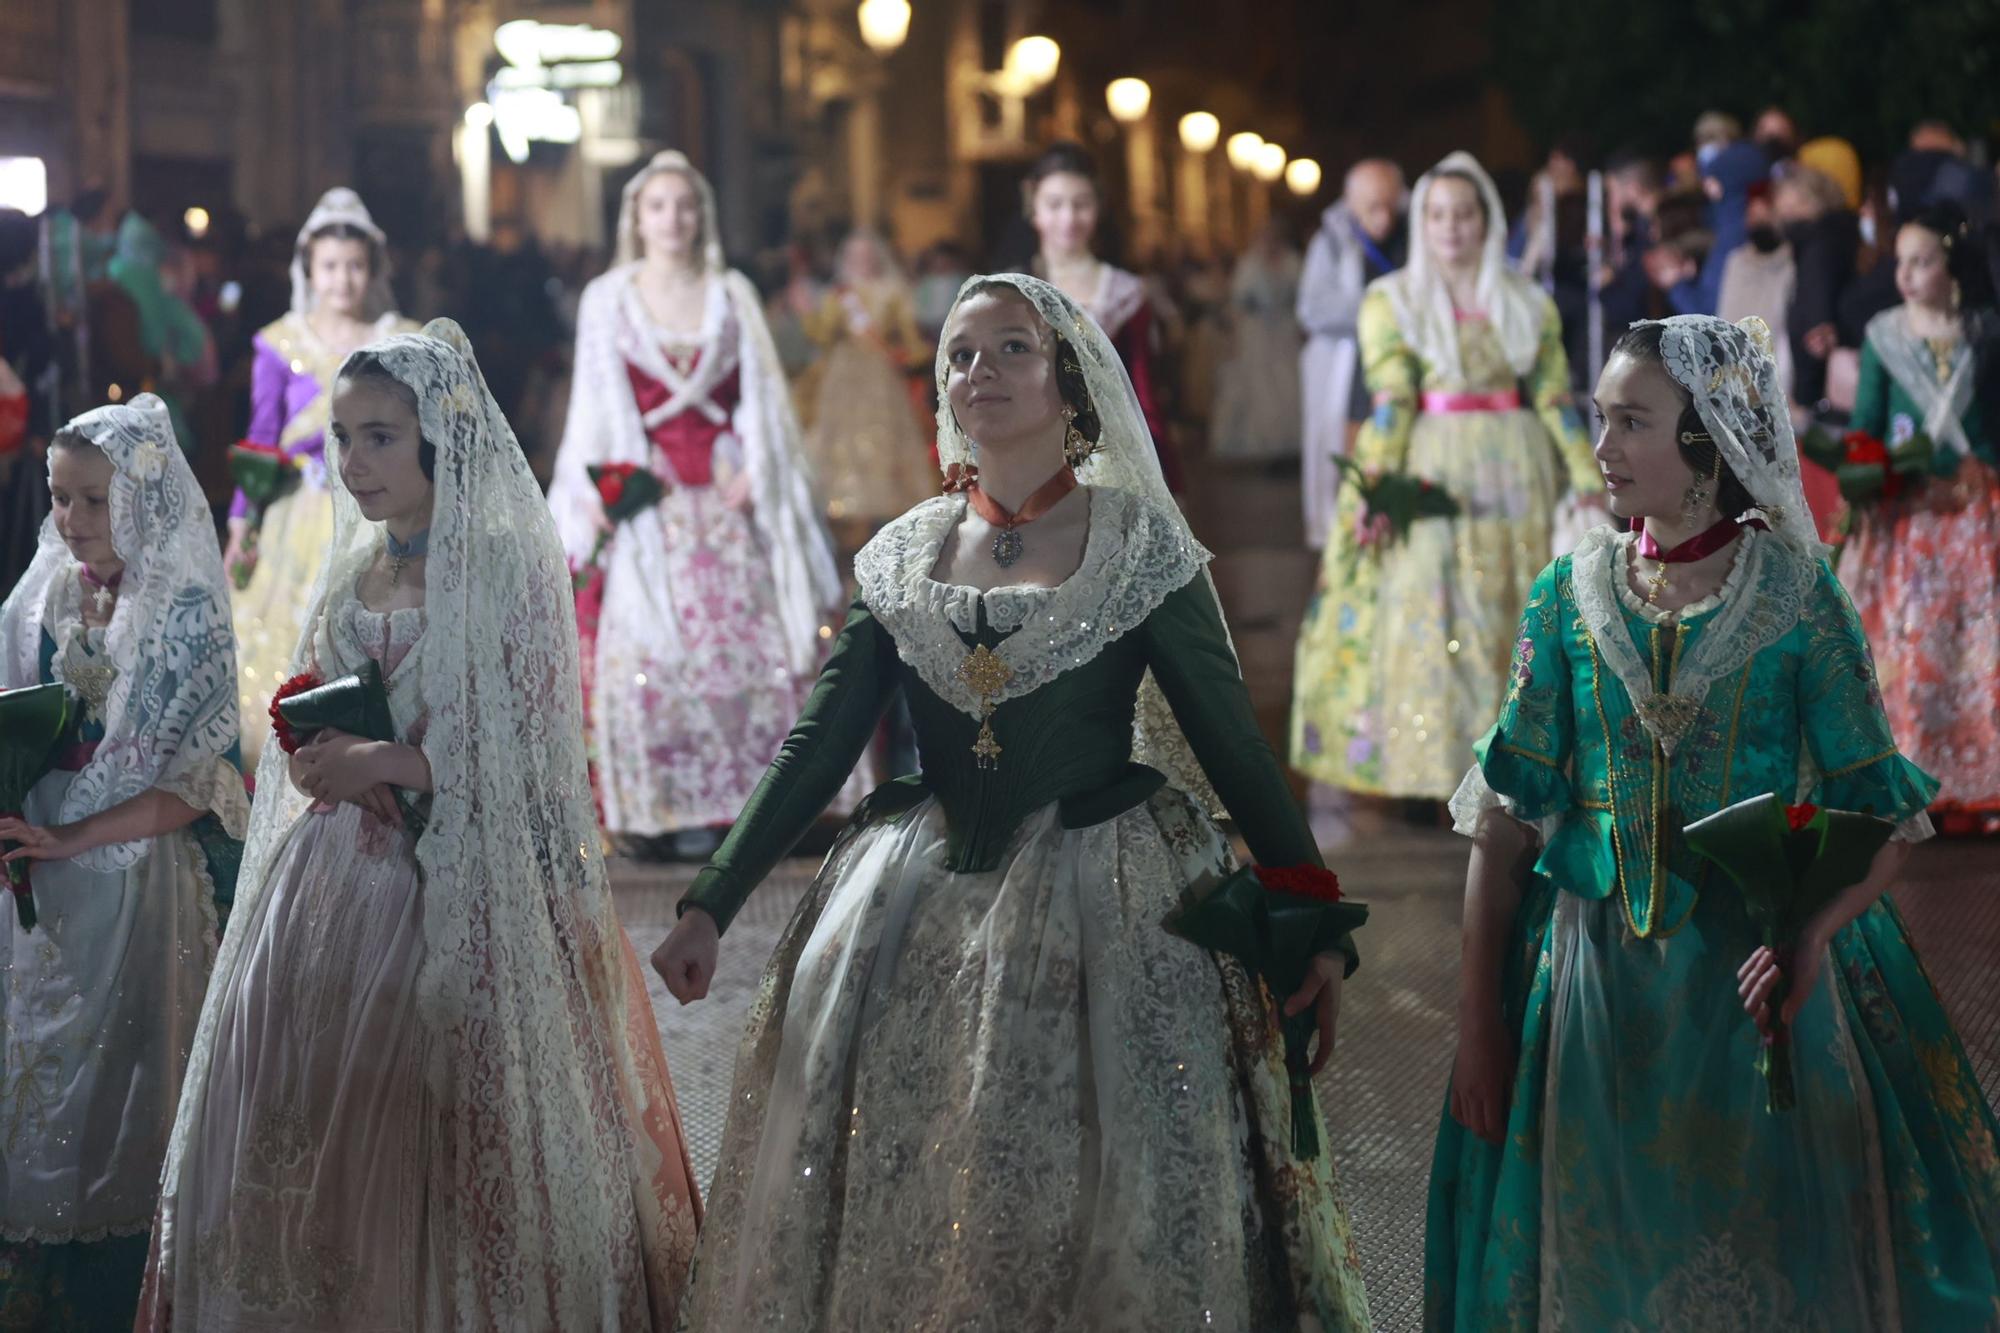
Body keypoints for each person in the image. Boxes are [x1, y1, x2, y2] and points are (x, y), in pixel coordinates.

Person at [651, 273, 1373, 1330]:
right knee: (913, 1158)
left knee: (1075, 1164)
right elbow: (821, 740)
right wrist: (711, 899)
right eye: (957, 354)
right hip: (914, 901)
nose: (976, 371)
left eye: (1009, 350)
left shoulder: (1136, 545)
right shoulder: (903, 553)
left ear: (1069, 386)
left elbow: (1230, 743)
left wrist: (1306, 906)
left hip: (1104, 898)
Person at [1427, 313, 2000, 1328]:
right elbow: (1506, 826)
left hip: (1761, 991)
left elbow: (1876, 816)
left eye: (1631, 422)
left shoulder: (1796, 597)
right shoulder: (1566, 597)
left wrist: (1812, 934)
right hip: (1594, 995)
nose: (1601, 448)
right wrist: (1477, 1024)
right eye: (1598, 420)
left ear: (1707, 441)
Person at [139, 319, 700, 1329]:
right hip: (331, 878)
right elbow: (310, 707)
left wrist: (391, 760)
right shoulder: (353, 573)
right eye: (345, 438)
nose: (353, 463)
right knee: (291, 1103)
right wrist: (318, 759)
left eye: (380, 437)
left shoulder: (503, 564)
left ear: (440, 436)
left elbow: (533, 753)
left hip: (462, 876)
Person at [0, 395, 246, 1328]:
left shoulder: (178, 608)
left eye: (94, 501)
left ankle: (123, 1279)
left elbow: (196, 782)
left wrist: (74, 835)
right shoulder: (52, 586)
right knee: (37, 1060)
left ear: (142, 499)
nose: (70, 521)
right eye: (61, 498)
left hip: (132, 869)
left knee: (118, 1081)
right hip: (42, 853)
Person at [546, 152, 850, 857]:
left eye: (684, 205)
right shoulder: (608, 297)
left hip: (724, 492)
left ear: (701, 216)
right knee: (655, 644)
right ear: (637, 218)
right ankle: (667, 802)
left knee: (761, 643)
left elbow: (762, 398)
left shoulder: (731, 292)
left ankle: (758, 803)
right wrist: (607, 480)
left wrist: (755, 464)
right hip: (650, 500)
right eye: (658, 206)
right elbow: (596, 400)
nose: (672, 219)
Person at [1290, 151, 1604, 807]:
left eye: (1465, 214)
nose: (1452, 227)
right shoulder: (1394, 301)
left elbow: (1552, 395)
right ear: (1422, 224)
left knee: (1509, 617)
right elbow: (1392, 402)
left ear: (1486, 220)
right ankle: (1436, 773)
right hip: (1432, 471)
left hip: (1517, 471)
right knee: (1436, 614)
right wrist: (1372, 487)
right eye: (1437, 215)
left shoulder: (1523, 301)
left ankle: (1514, 766)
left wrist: (1585, 476)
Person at [225, 187, 419, 769]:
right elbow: (262, 439)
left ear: (375, 269)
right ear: (309, 268)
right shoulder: (279, 343)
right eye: (331, 266)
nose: (343, 279)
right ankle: (290, 757)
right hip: (301, 509)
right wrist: (241, 521)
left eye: (356, 266)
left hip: (375, 508)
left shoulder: (403, 337)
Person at [1838, 204, 2000, 830]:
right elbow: (1865, 427)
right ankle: (1914, 770)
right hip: (1909, 521)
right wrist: (1873, 477)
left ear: (1952, 267)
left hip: (1974, 519)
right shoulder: (1884, 335)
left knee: (1975, 643)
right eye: (1899, 261)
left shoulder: (1984, 331)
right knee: (1913, 643)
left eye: (1921, 261)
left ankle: (1978, 778)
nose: (1905, 274)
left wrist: (1979, 468)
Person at [1022, 141, 1183, 490]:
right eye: (1054, 205)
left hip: (1110, 457)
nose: (1068, 218)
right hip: (1029, 456)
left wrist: (1162, 471)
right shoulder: (1014, 291)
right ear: (1034, 209)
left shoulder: (1124, 294)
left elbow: (1143, 391)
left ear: (1098, 209)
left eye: (1081, 204)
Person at [1300, 159, 1409, 546]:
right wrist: (1379, 308)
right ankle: (1343, 534)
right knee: (1344, 455)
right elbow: (1311, 308)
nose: (1383, 217)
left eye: (1388, 205)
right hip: (1346, 368)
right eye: (1371, 207)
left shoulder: (1411, 233)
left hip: (1395, 365)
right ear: (1351, 203)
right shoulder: (1330, 241)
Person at [798, 229, 935, 528]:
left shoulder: (894, 292)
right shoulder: (839, 294)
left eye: (867, 255)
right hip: (843, 375)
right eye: (855, 256)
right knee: (840, 440)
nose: (862, 261)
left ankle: (882, 514)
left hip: (881, 377)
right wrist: (809, 313)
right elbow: (823, 335)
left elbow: (909, 338)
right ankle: (843, 515)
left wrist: (918, 355)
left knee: (883, 440)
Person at [1210, 220, 1305, 461]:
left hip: (1284, 334)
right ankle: (1264, 445)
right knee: (1261, 386)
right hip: (1258, 336)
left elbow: (1301, 295)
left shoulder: (1291, 262)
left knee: (1285, 385)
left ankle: (1287, 444)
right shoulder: (1250, 264)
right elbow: (1239, 301)